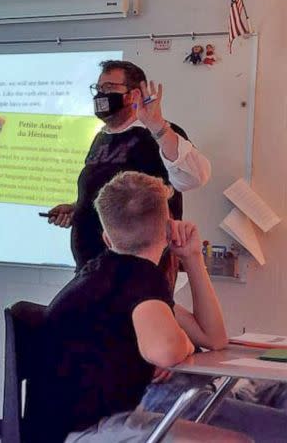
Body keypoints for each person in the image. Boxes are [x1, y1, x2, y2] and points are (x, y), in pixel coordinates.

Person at [36, 171, 249, 443]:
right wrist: (179, 341)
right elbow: (165, 351)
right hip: (88, 431)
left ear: (107, 239)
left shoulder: (106, 277)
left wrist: (193, 258)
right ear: (168, 230)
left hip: (75, 425)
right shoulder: (140, 277)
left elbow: (213, 338)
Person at [47, 60, 211, 289]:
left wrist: (158, 127)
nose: (100, 95)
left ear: (133, 95)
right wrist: (78, 208)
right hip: (91, 270)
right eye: (97, 89)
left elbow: (194, 177)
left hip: (136, 277)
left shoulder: (156, 134)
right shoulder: (101, 138)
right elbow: (110, 196)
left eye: (108, 88)